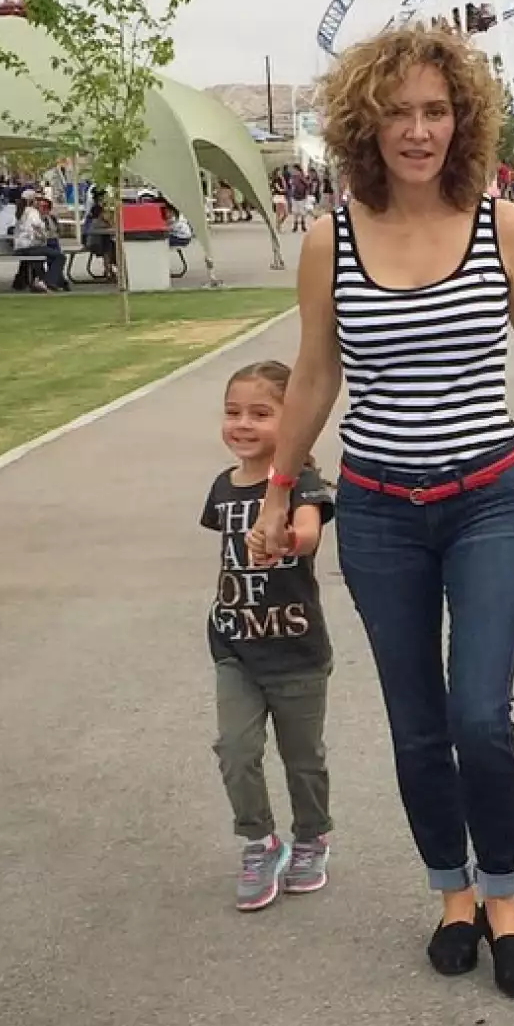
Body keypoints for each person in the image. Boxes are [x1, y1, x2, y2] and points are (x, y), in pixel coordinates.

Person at [246, 23, 514, 999]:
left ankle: (503, 892)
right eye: (399, 112)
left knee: (480, 714)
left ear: (460, 119)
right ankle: (450, 892)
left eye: (436, 110)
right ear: (364, 123)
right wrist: (278, 485)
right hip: (380, 512)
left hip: (487, 503)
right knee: (417, 722)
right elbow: (315, 375)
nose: (418, 130)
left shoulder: (502, 224)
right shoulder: (327, 237)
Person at [201, 361, 336, 912]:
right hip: (235, 646)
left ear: (295, 419)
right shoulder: (222, 487)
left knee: (302, 758)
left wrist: (284, 537)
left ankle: (311, 838)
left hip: (296, 650)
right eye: (233, 412)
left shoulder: (302, 484)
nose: (243, 424)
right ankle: (260, 841)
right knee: (235, 750)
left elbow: (307, 534)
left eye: (261, 413)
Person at [13, 192, 67, 292]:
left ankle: (41, 280)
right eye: (37, 200)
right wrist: (43, 235)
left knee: (47, 255)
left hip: (20, 248)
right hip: (31, 247)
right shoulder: (32, 212)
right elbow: (36, 225)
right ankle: (47, 281)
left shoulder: (20, 212)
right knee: (60, 256)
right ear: (32, 201)